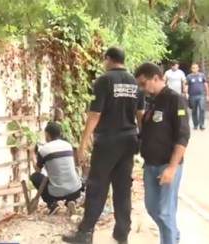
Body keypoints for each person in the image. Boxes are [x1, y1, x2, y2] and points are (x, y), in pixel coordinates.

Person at [62, 47, 144, 244]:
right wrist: (141, 138)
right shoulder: (135, 83)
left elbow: (95, 113)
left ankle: (86, 232)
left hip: (108, 141)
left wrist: (83, 142)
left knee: (97, 186)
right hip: (129, 140)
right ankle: (122, 233)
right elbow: (140, 114)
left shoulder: (104, 80)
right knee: (123, 188)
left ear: (108, 59)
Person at [134, 62, 190, 244]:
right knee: (152, 208)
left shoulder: (175, 100)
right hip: (150, 165)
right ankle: (173, 234)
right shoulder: (151, 101)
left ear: (156, 78)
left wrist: (172, 167)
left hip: (168, 165)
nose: (142, 88)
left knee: (166, 213)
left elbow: (183, 136)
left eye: (143, 84)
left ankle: (169, 239)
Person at [29, 121, 82, 215]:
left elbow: (38, 169)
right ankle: (71, 201)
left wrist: (32, 154)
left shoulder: (44, 150)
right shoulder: (68, 145)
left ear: (48, 135)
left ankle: (52, 205)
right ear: (60, 133)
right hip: (76, 190)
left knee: (35, 177)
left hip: (56, 193)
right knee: (69, 174)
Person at [186, 63, 209, 130]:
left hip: (201, 95)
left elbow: (206, 85)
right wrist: (186, 93)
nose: (194, 69)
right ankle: (195, 124)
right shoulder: (189, 77)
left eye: (196, 67)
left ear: (198, 68)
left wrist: (208, 95)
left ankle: (202, 124)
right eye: (193, 68)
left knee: (202, 108)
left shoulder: (202, 75)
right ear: (191, 69)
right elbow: (186, 86)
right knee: (194, 110)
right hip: (193, 96)